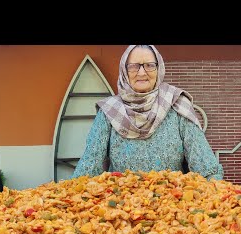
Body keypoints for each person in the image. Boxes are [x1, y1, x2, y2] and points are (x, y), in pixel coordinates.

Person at [71, 45, 223, 181]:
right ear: (124, 70)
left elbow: (206, 167)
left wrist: (219, 196)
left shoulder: (177, 104)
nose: (142, 72)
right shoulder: (109, 110)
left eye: (149, 65)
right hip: (121, 207)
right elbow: (88, 167)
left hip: (172, 206)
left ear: (159, 69)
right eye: (134, 66)